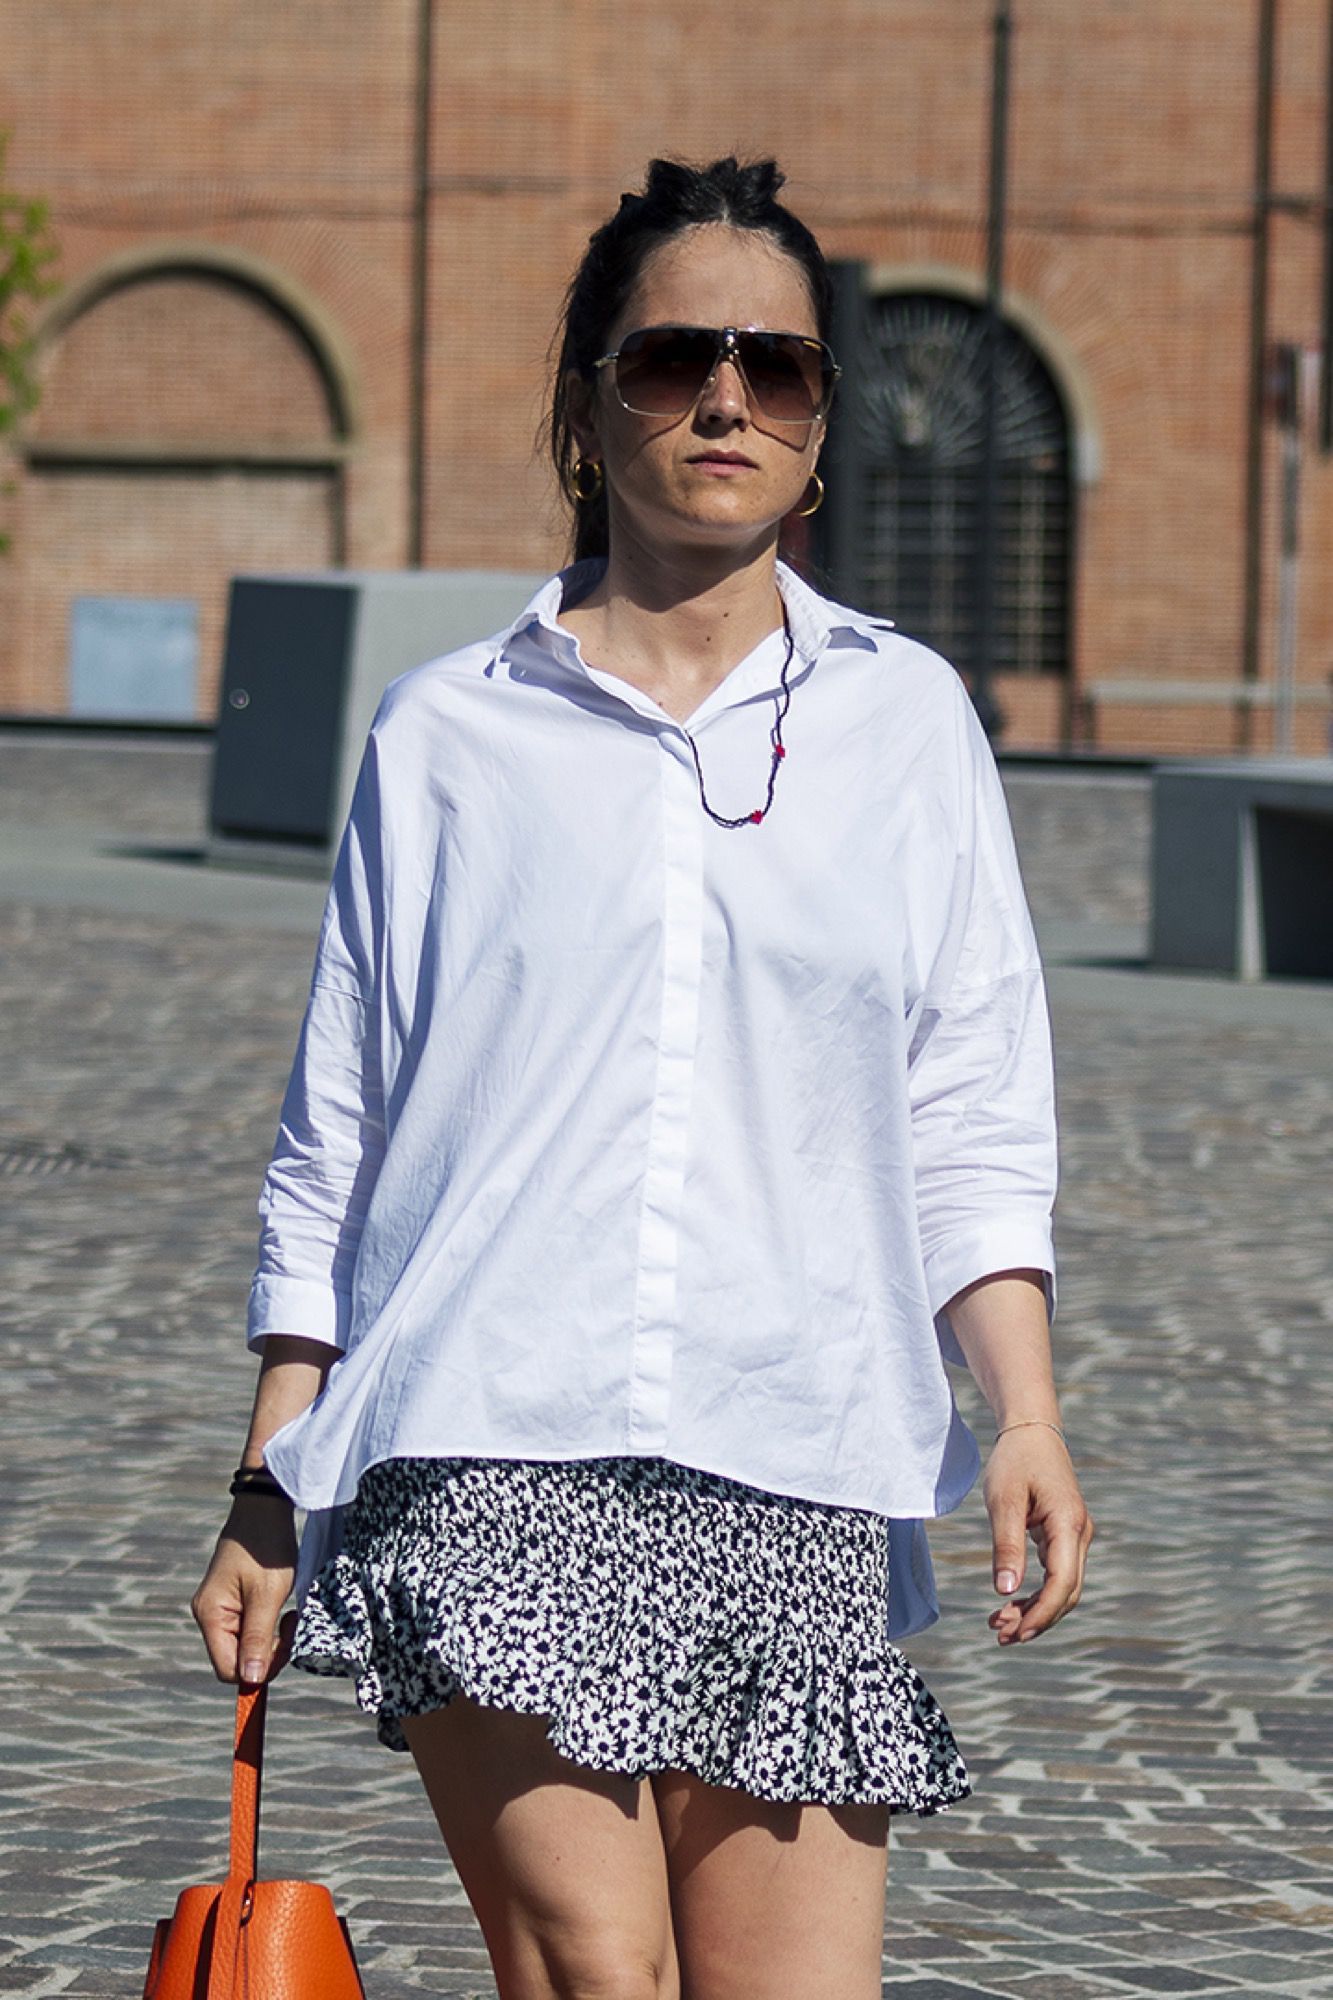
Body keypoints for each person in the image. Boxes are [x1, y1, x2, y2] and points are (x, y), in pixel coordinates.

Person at [193, 155, 1093, 2000]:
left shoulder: (908, 724)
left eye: (780, 366)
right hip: (487, 1430)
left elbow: (971, 1105)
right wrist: (272, 1481)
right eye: (677, 357)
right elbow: (340, 1129)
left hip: (796, 1443)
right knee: (602, 1974)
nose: (726, 401)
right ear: (589, 402)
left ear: (821, 420)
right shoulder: (448, 735)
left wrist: (1021, 1411)